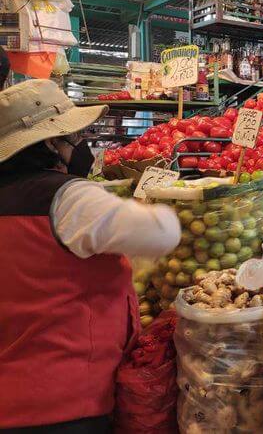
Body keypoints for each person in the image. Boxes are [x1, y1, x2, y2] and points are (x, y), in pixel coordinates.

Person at [0, 79, 181, 433]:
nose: (80, 145)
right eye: (75, 137)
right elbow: (163, 233)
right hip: (65, 399)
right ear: (52, 142)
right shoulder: (66, 198)